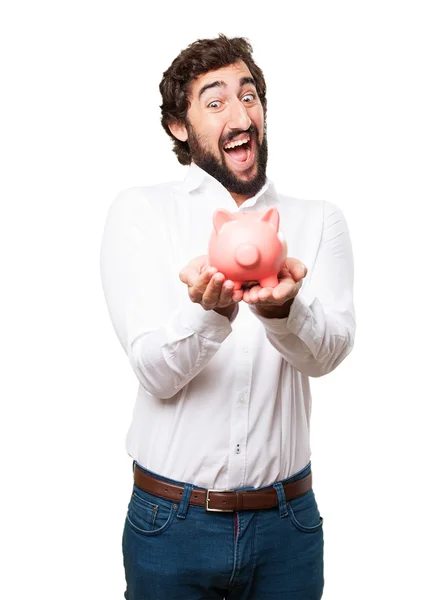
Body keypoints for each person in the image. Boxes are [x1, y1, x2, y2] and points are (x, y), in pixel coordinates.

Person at [100, 34, 355, 600]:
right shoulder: (142, 212)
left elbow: (330, 354)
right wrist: (209, 318)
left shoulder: (318, 221)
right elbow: (154, 372)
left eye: (249, 96)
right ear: (180, 127)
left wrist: (285, 309)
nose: (240, 114)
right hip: (171, 523)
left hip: (287, 525)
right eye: (214, 102)